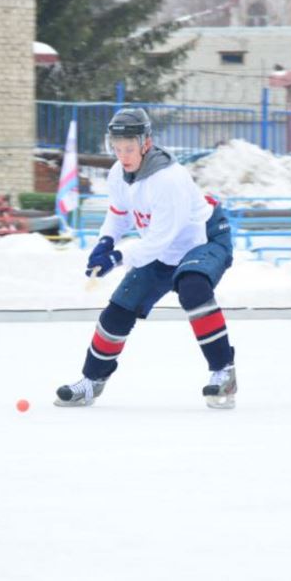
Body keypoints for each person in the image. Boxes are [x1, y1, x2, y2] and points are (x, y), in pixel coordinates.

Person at [54, 108, 237, 409]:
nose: (123, 155)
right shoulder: (118, 174)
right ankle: (91, 382)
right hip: (163, 247)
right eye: (117, 148)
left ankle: (223, 373)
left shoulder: (168, 179)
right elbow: (118, 214)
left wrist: (117, 257)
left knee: (193, 288)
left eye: (129, 148)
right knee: (119, 308)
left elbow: (158, 241)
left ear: (146, 143)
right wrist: (105, 242)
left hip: (204, 238)